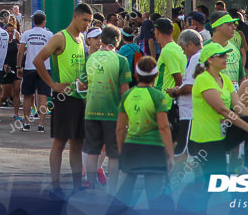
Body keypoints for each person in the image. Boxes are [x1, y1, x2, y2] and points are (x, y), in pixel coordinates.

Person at [33, 3, 93, 199]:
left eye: (89, 22)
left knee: (77, 143)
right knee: (60, 143)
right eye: (84, 20)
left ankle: (77, 186)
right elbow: (38, 60)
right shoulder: (60, 37)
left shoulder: (82, 38)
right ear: (75, 16)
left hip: (80, 97)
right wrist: (53, 84)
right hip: (64, 98)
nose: (87, 24)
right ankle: (55, 186)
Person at [189, 42, 248, 176]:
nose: (226, 58)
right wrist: (247, 128)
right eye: (221, 56)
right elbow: (222, 110)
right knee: (215, 181)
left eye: (226, 55)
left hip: (221, 135)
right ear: (210, 60)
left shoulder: (225, 78)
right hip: (205, 138)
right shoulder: (203, 79)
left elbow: (239, 106)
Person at [115, 56, 174, 209]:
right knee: (154, 198)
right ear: (156, 75)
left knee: (124, 194)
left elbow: (120, 129)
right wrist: (170, 155)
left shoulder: (127, 95)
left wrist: (122, 151)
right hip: (153, 150)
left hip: (131, 148)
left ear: (136, 74)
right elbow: (164, 128)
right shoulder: (158, 96)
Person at [81, 24, 131, 189]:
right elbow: (124, 91)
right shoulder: (121, 60)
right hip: (113, 114)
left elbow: (81, 85)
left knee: (92, 151)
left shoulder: (90, 58)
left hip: (91, 112)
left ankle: (91, 183)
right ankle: (113, 187)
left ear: (101, 40)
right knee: (114, 153)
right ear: (117, 41)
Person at [17, 11, 52, 133]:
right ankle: (41, 125)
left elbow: (21, 51)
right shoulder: (49, 34)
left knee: (28, 95)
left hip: (29, 67)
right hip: (44, 68)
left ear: (33, 21)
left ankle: (26, 123)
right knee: (43, 96)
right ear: (44, 22)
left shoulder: (27, 34)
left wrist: (18, 66)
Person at [171, 29, 203, 157]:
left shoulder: (196, 58)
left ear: (190, 44)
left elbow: (191, 86)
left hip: (189, 112)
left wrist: (176, 91)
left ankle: (179, 177)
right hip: (190, 112)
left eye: (184, 48)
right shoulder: (199, 57)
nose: (184, 52)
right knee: (188, 151)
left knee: (183, 151)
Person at [154, 18, 186, 141]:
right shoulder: (177, 48)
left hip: (166, 102)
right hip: (171, 102)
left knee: (166, 142)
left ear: (156, 31)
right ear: (172, 30)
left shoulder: (168, 50)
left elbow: (178, 78)